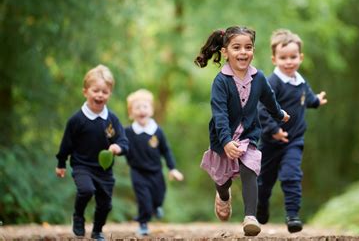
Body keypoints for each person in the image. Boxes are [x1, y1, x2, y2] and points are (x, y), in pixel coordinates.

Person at [194, 25, 290, 237]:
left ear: (253, 50)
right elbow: (219, 114)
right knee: (223, 178)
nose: (243, 52)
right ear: (225, 52)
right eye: (236, 47)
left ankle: (250, 217)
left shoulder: (259, 78)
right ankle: (223, 195)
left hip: (249, 134)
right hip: (223, 137)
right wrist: (226, 141)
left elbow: (269, 98)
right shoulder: (221, 81)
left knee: (250, 169)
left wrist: (279, 114)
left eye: (248, 47)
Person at [256, 29, 327, 233]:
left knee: (292, 175)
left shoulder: (301, 82)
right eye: (283, 57)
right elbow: (262, 110)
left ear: (300, 57)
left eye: (293, 57)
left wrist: (317, 101)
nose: (289, 62)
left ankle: (292, 215)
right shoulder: (272, 83)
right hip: (271, 142)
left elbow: (307, 99)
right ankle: (261, 207)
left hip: (294, 141)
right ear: (274, 59)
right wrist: (274, 129)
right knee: (264, 182)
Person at [55, 64, 129, 241]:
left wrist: (117, 148)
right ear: (85, 92)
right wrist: (61, 163)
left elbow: (123, 141)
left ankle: (97, 230)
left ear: (109, 94)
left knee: (105, 204)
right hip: (82, 165)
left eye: (104, 92)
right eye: (95, 90)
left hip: (104, 169)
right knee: (86, 190)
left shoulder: (111, 120)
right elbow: (66, 144)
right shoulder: (77, 120)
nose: (100, 95)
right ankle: (78, 216)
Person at [124, 89, 184, 236]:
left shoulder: (157, 131)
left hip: (156, 171)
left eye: (145, 107)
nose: (141, 110)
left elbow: (166, 150)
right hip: (138, 171)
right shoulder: (128, 132)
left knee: (159, 195)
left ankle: (157, 206)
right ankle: (143, 223)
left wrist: (172, 168)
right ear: (131, 113)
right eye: (137, 108)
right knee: (143, 199)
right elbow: (121, 146)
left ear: (151, 110)